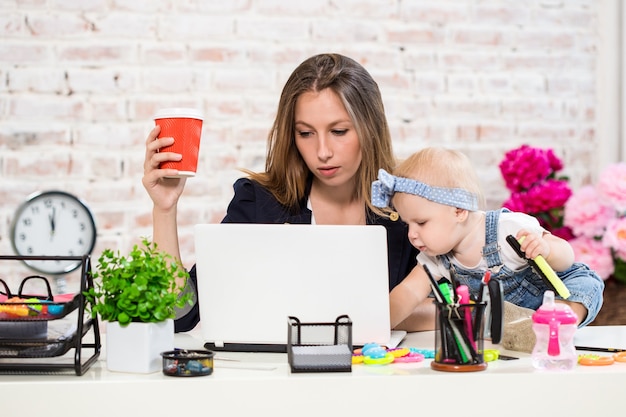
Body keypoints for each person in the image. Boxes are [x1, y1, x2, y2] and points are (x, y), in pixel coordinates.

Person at [142, 53, 435, 333]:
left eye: (339, 131)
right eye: (306, 133)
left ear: (370, 128)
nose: (322, 152)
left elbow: (453, 304)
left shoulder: (408, 206)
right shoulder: (260, 203)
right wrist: (165, 209)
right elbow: (179, 315)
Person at [371, 147, 604, 351]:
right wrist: (375, 324)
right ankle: (523, 328)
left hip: (553, 291)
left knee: (585, 287)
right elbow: (408, 293)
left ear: (459, 211)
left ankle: (556, 322)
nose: (412, 234)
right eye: (407, 224)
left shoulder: (507, 228)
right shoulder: (435, 259)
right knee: (469, 311)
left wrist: (546, 249)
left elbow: (566, 257)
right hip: (505, 315)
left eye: (421, 223)